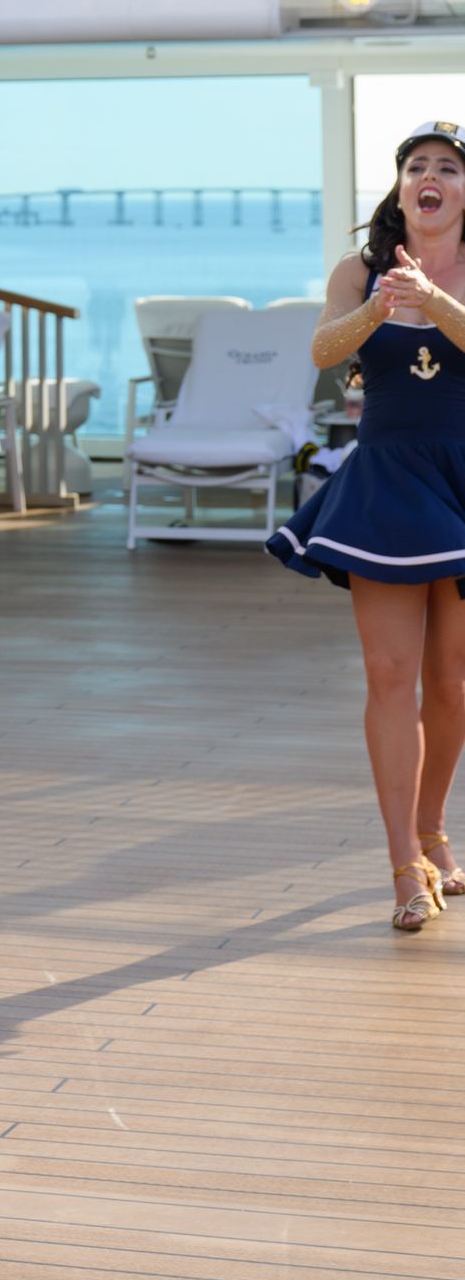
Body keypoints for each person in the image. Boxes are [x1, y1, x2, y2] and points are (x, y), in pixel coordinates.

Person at [269, 119, 465, 934]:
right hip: (387, 481)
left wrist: (434, 300)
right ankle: (403, 865)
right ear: (400, 186)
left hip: (463, 478)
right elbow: (322, 351)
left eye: (449, 168)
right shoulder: (362, 268)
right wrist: (380, 306)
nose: (431, 177)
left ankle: (432, 827)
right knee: (390, 675)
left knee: (452, 681)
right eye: (417, 165)